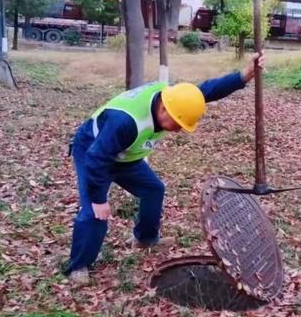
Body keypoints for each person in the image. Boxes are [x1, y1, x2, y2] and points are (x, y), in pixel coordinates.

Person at [67, 53, 265, 285]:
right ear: (163, 109)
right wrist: (99, 199)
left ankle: (145, 238)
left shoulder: (175, 98)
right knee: (95, 212)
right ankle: (78, 265)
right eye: (177, 123)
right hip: (94, 150)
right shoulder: (126, 122)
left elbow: (207, 91)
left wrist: (243, 76)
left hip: (127, 154)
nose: (179, 130)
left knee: (153, 189)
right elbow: (96, 160)